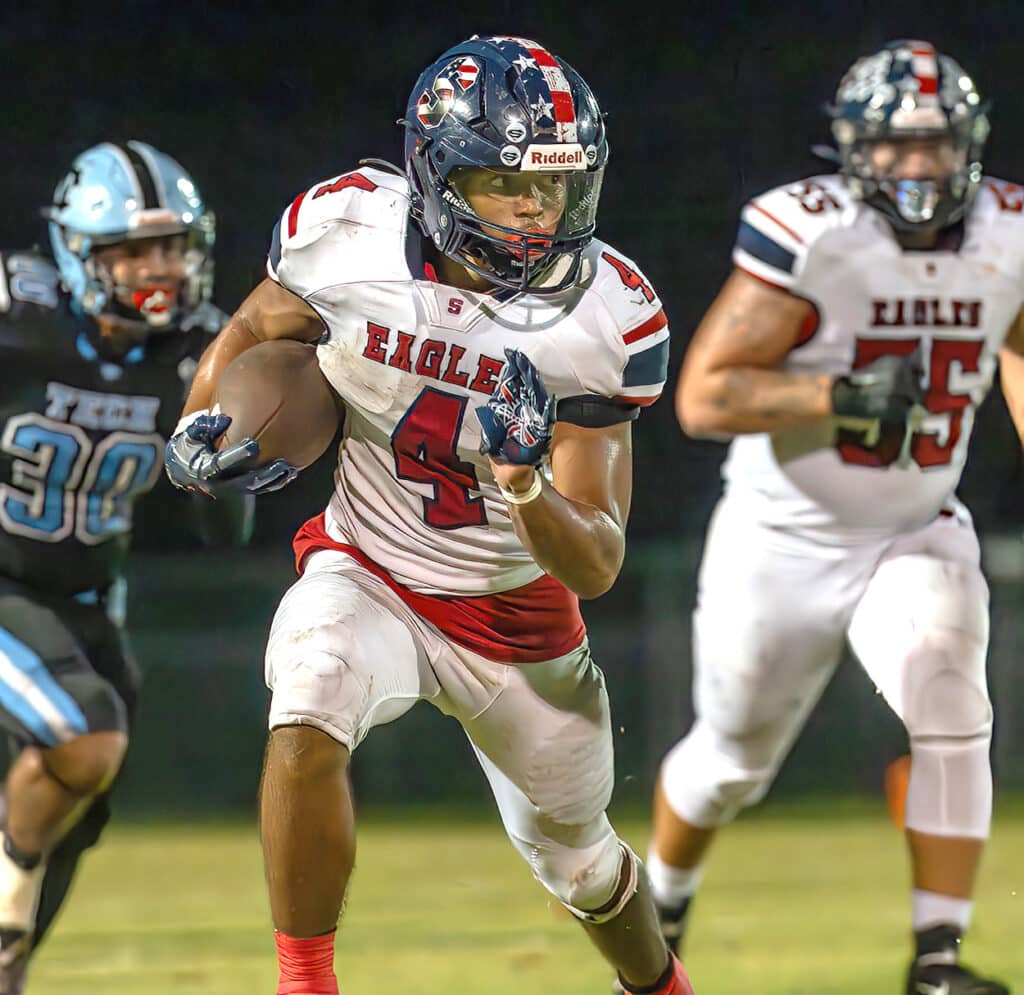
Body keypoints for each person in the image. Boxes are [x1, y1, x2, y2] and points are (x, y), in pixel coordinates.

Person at [164, 34, 695, 995]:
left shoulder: (606, 316)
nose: (539, 212)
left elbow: (598, 562)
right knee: (309, 694)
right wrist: (205, 430)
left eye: (559, 187)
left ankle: (659, 984)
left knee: (580, 863)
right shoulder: (347, 234)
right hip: (369, 564)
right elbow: (256, 332)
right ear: (440, 172)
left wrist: (526, 482)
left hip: (515, 613)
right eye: (507, 184)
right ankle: (305, 983)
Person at [645, 40, 1017, 995]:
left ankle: (938, 957)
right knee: (730, 761)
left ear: (969, 146)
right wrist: (841, 399)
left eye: (936, 146)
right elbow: (705, 396)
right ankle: (662, 905)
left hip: (914, 519)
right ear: (856, 152)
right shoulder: (812, 234)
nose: (919, 167)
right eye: (897, 147)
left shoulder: (1008, 235)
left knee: (951, 701)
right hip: (783, 532)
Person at [0, 140, 250, 993]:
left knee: (80, 803)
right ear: (77, 254)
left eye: (172, 247)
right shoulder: (17, 314)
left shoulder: (201, 352)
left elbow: (225, 531)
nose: (159, 270)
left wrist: (226, 466)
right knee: (85, 730)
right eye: (133, 251)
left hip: (87, 600)